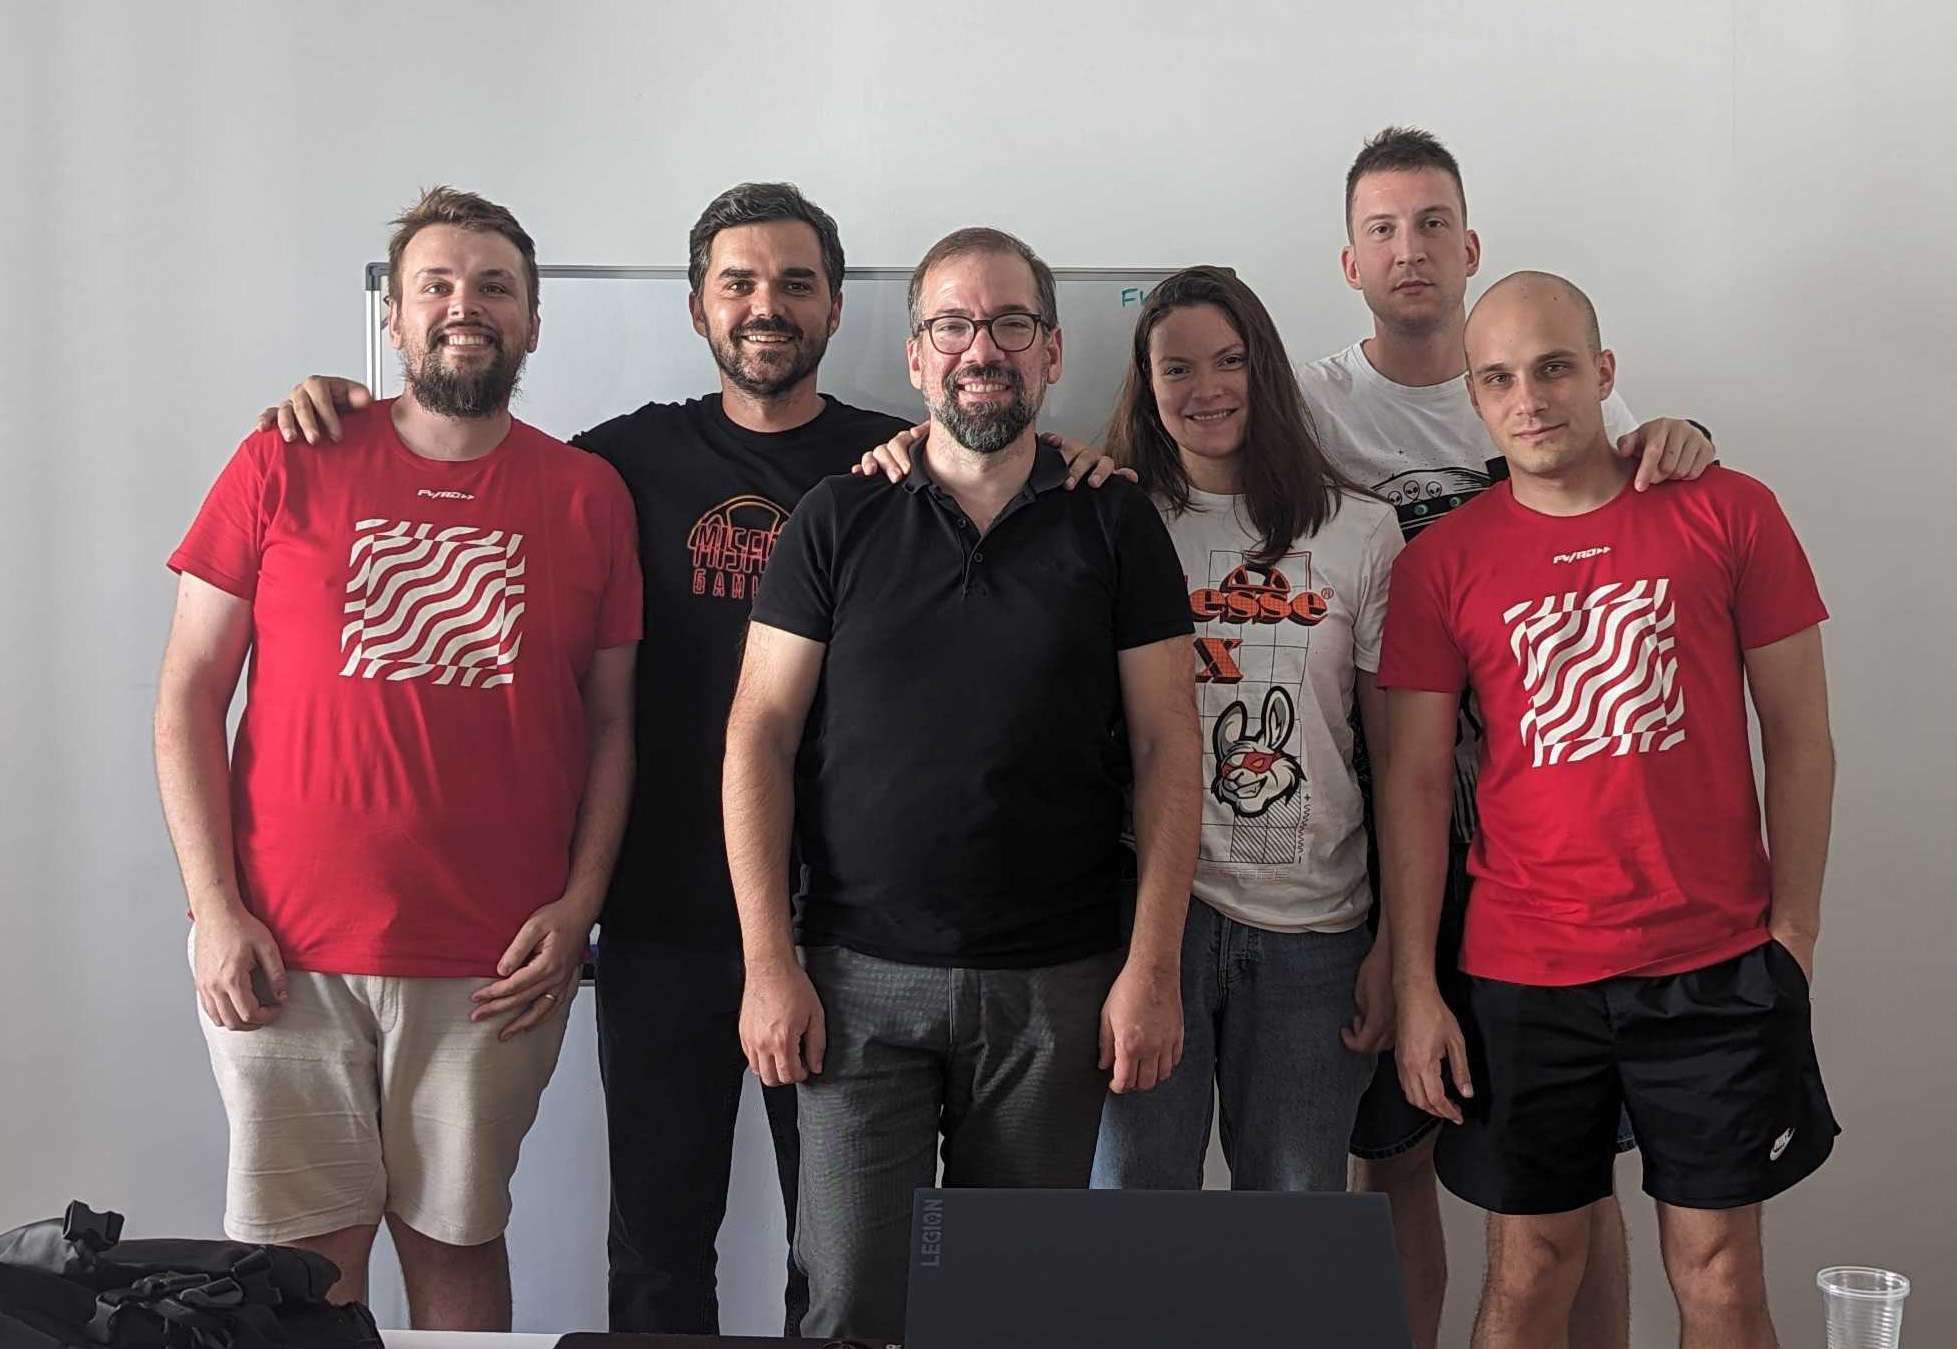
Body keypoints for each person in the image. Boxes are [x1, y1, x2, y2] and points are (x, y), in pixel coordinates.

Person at [253, 183, 1122, 1336]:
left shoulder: (896, 463)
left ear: (831, 309)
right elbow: (466, 450)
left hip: (846, 929)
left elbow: (998, 454)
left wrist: (1069, 455)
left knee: (843, 1256)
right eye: (739, 282)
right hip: (661, 914)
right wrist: (342, 400)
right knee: (658, 1250)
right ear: (699, 306)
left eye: (797, 282)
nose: (768, 305)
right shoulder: (613, 464)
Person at [154, 187, 642, 1329]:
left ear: (531, 323)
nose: (463, 306)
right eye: (436, 284)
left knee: (458, 1241)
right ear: (394, 316)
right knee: (301, 1269)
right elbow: (187, 694)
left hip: (494, 959)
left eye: (493, 286)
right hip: (282, 948)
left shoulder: (586, 495)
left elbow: (614, 721)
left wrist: (579, 907)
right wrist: (212, 908)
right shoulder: (284, 457)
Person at [723, 226, 1201, 1341]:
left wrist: (1153, 968)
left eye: (1008, 324)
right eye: (952, 324)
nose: (979, 347)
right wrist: (766, 964)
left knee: (1008, 1310)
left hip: (1055, 983)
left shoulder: (1114, 519)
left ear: (1049, 351)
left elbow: (1168, 748)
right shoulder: (838, 518)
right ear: (915, 355)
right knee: (845, 1300)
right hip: (854, 983)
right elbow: (758, 735)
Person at [1300, 126, 1719, 1349]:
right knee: (1393, 1148)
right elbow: (1189, 468)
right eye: (1382, 228)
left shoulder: (1549, 376)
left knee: (1569, 1170)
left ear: (1470, 243)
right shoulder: (1313, 406)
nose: (1410, 249)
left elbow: (1650, 488)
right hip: (1388, 821)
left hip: (1557, 834)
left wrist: (1680, 435)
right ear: (1347, 260)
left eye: (1432, 223)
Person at [1381, 270, 1837, 1349]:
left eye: (1551, 367)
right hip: (1523, 968)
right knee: (1531, 1267)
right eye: (1498, 378)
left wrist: (1795, 937)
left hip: (1715, 960)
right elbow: (1412, 781)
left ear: (1603, 373)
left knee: (1719, 1275)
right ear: (1475, 401)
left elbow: (1801, 734)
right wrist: (1413, 985)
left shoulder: (1730, 510)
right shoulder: (1441, 562)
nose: (1529, 397)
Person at [1090, 266, 1400, 1193]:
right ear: (1146, 385)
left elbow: (1393, 757)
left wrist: (1395, 947)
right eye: (1176, 368)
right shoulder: (1111, 519)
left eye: (1229, 361)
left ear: (1265, 368)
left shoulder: (1362, 530)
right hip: (1154, 924)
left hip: (1318, 929)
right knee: (1132, 1223)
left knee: (1291, 1241)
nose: (1207, 388)